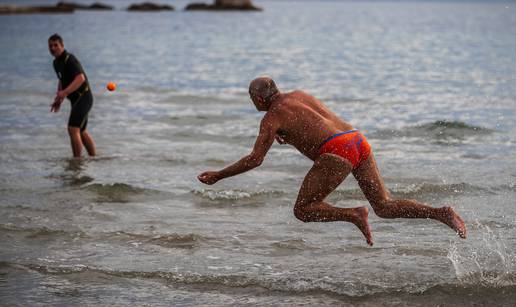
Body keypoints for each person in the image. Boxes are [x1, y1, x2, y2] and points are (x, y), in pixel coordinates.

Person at [198, 77, 467, 246]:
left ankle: (353, 214)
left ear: (257, 99)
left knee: (303, 209)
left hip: (337, 150)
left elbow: (255, 159)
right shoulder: (299, 95)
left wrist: (218, 175)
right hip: (357, 140)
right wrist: (291, 138)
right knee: (384, 206)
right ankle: (440, 213)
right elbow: (314, 127)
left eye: (251, 99)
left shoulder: (271, 118)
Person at [48, 33, 96, 158]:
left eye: (55, 45)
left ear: (62, 45)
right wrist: (59, 99)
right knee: (81, 130)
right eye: (50, 46)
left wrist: (65, 92)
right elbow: (61, 80)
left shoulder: (69, 59)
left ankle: (76, 163)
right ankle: (94, 158)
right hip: (76, 100)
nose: (53, 48)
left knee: (73, 129)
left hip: (84, 97)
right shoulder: (56, 63)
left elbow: (80, 78)